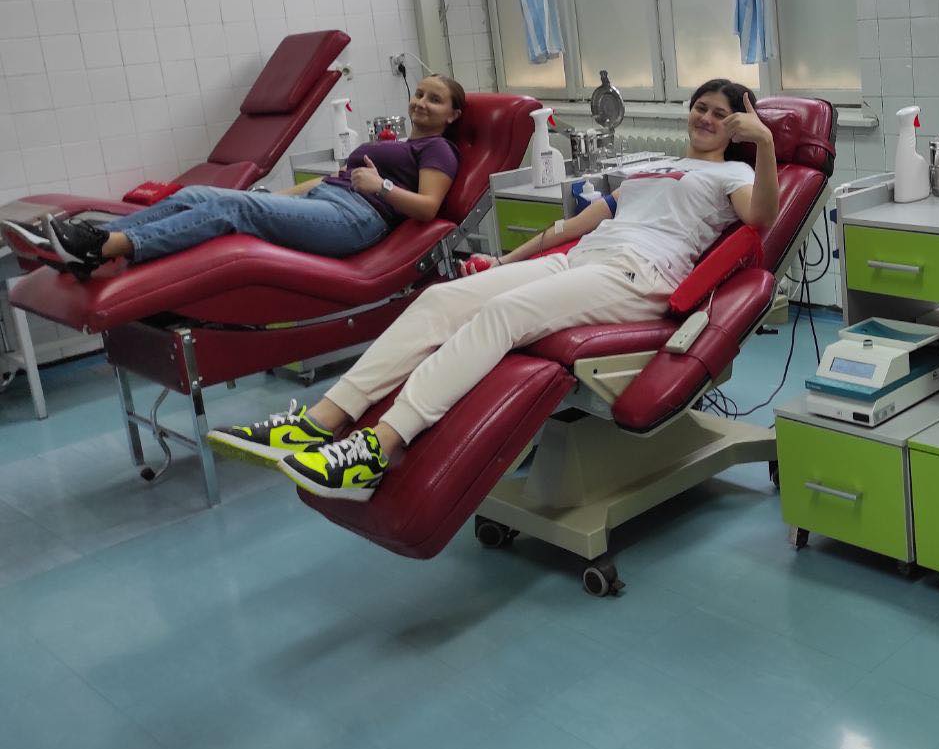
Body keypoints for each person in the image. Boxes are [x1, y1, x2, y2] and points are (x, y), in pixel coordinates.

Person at [208, 77, 779, 503]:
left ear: (737, 124)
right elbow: (570, 229)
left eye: (720, 113)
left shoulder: (734, 174)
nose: (706, 118)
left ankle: (379, 446)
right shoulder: (647, 171)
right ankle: (320, 421)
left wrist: (767, 144)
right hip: (583, 259)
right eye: (700, 107)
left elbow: (760, 219)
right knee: (440, 299)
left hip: (639, 275)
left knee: (504, 314)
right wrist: (501, 261)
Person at [14, 76, 465, 273]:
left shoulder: (438, 149)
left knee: (230, 208)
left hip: (356, 220)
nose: (421, 103)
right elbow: (327, 182)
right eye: (419, 94)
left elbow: (428, 208)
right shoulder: (398, 144)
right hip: (327, 200)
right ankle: (94, 239)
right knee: (197, 195)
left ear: (453, 115)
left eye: (435, 99)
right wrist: (274, 198)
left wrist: (381, 186)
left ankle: (104, 248)